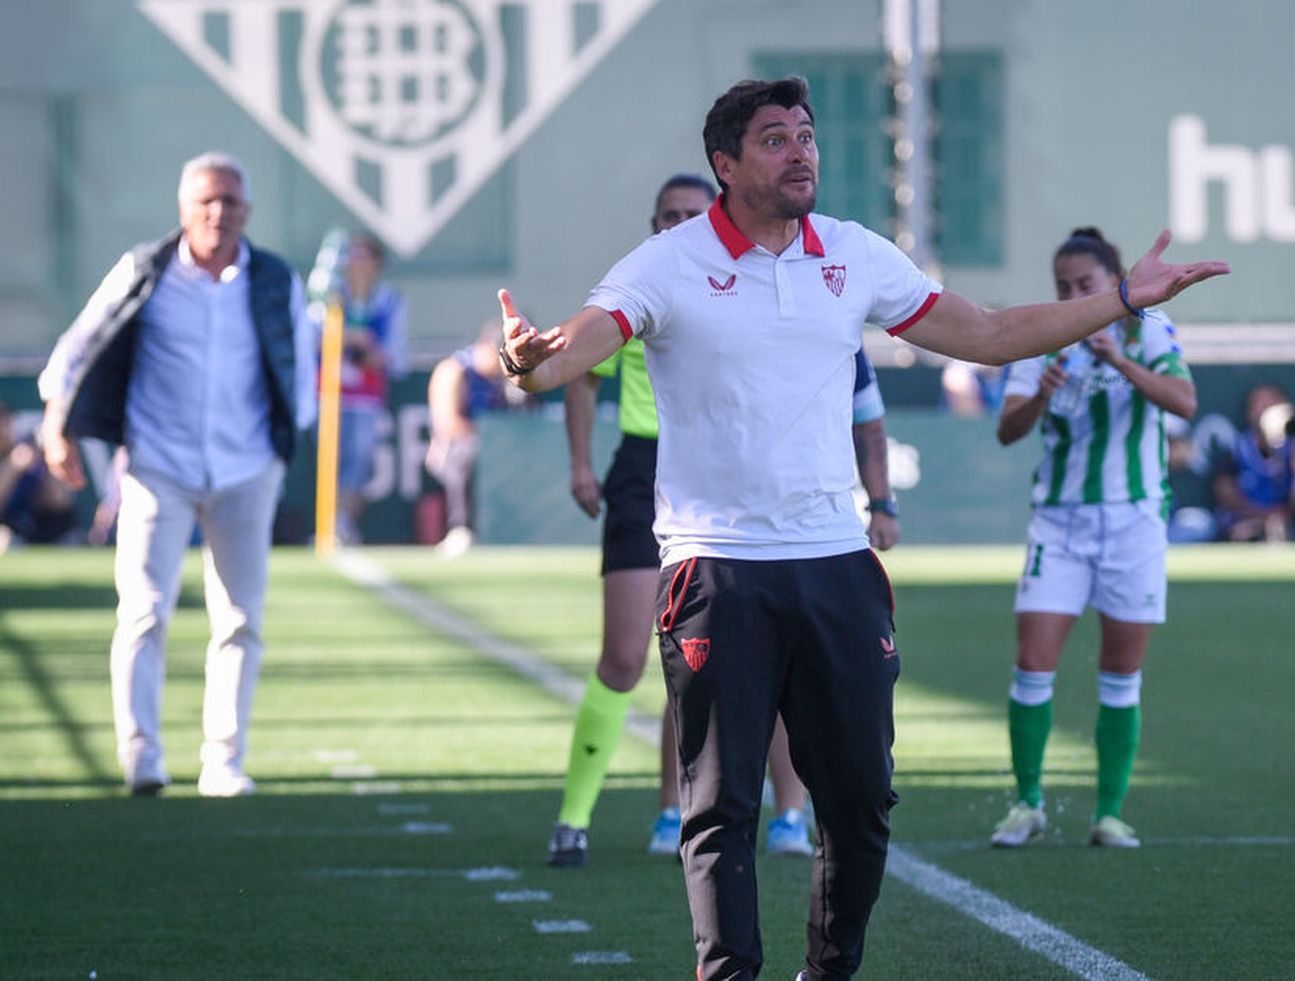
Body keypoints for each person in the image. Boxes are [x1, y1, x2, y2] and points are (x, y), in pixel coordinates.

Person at [495, 77, 1227, 979]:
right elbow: (583, 340)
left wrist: (1121, 297)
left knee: (863, 800)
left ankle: (828, 971)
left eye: (805, 134)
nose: (800, 150)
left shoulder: (852, 253)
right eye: (774, 138)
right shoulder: (669, 262)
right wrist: (532, 363)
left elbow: (993, 333)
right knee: (721, 807)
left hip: (838, 564)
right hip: (717, 571)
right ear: (726, 165)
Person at [553, 172, 903, 870]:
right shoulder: (640, 287)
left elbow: (866, 401)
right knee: (626, 657)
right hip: (644, 476)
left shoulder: (782, 282)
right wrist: (581, 465)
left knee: (768, 661)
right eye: (668, 215)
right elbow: (574, 375)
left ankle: (785, 814)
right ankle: (581, 814)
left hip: (738, 488)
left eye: (692, 211)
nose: (681, 223)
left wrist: (880, 497)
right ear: (654, 222)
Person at [36, 151, 316, 797]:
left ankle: (224, 760)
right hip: (157, 463)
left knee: (241, 617)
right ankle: (142, 757)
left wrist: (279, 448)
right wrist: (57, 424)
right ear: (184, 209)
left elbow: (300, 369)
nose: (219, 214)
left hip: (247, 466)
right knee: (143, 610)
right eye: (206, 202)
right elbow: (78, 346)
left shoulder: (275, 279)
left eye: (232, 202)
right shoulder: (145, 270)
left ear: (248, 210)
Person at [988, 227, 1198, 853]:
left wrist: (1120, 362)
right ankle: (1026, 803)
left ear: (1115, 284)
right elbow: (1007, 429)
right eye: (1064, 287)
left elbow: (1184, 401)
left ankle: (1109, 813)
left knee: (1121, 671)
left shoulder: (1147, 331)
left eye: (1086, 284)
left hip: (1133, 521)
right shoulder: (1041, 341)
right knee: (1032, 663)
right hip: (1061, 521)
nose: (1073, 295)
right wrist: (1039, 398)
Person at [315, 231, 407, 545]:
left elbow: (394, 356)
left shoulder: (389, 301)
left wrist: (370, 352)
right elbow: (312, 337)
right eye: (351, 255)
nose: (355, 263)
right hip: (329, 395)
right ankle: (329, 523)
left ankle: (344, 524)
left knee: (358, 462)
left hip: (366, 398)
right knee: (329, 460)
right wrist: (347, 338)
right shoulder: (328, 294)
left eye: (363, 256)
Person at [424, 317, 521, 557]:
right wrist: (488, 437)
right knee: (467, 450)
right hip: (452, 450)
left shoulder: (504, 379)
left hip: (494, 449)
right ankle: (460, 528)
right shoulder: (454, 370)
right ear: (489, 348)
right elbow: (447, 423)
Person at [1212, 382, 1295, 543]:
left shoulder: (1294, 446)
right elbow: (1225, 493)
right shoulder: (1237, 448)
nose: (1266, 409)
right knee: (1248, 533)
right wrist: (1266, 514)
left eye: (1272, 403)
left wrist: (1292, 439)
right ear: (1250, 412)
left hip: (1288, 518)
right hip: (1250, 519)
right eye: (1260, 404)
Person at [0, 400, 78, 552]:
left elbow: (60, 501)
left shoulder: (28, 449)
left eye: (4, 422)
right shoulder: (16, 459)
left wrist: (45, 463)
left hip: (41, 530)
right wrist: (13, 468)